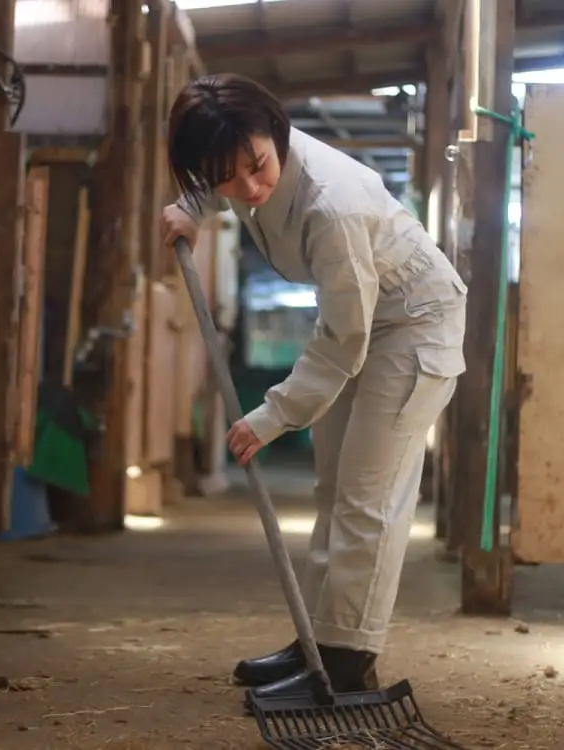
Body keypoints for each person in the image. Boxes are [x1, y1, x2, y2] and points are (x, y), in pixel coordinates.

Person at [160, 73, 467, 704]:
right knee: (335, 488)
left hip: (413, 325)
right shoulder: (240, 166)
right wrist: (190, 210)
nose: (248, 188)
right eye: (225, 178)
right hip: (364, 322)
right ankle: (318, 643)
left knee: (367, 498)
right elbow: (214, 191)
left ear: (274, 132)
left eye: (256, 166)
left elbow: (345, 341)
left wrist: (271, 417)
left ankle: (350, 662)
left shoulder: (334, 203)